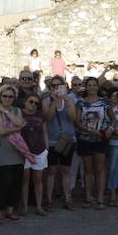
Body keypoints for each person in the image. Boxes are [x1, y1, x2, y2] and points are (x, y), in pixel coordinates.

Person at [0, 85, 28, 226]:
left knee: (15, 182)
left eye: (10, 96)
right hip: (0, 151)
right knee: (1, 182)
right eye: (4, 96)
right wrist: (17, 129)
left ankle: (10, 210)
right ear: (0, 97)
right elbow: (1, 131)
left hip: (16, 151)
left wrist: (6, 112)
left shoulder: (16, 110)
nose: (7, 99)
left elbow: (20, 121)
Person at [75, 77, 113, 210]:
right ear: (86, 87)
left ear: (98, 87)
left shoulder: (105, 103)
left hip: (100, 139)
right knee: (87, 170)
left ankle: (100, 198)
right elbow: (77, 122)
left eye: (94, 85)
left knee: (100, 169)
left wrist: (110, 129)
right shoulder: (80, 103)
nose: (92, 87)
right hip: (85, 139)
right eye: (89, 85)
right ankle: (88, 197)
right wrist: (90, 131)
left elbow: (113, 119)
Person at [42, 76, 78, 210]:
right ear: (50, 87)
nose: (56, 88)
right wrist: (54, 102)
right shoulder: (46, 100)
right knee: (51, 170)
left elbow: (73, 118)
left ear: (64, 86)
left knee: (66, 170)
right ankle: (50, 200)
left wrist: (66, 101)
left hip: (67, 139)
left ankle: (67, 198)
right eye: (53, 85)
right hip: (52, 140)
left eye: (59, 85)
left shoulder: (70, 100)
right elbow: (48, 117)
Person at [20, 93, 49, 216]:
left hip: (39, 150)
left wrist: (46, 149)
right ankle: (25, 207)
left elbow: (45, 132)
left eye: (36, 103)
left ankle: (39, 206)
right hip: (24, 151)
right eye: (31, 101)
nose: (33, 104)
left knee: (38, 180)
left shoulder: (40, 115)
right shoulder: (19, 114)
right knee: (25, 180)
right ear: (25, 102)